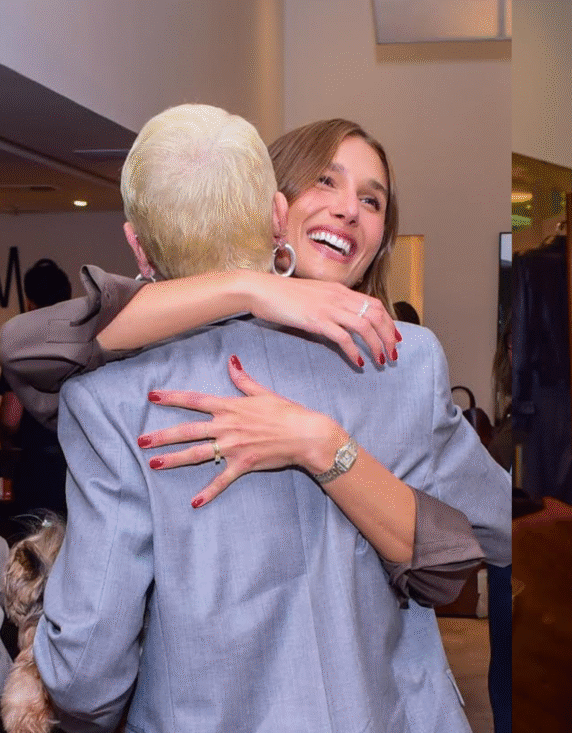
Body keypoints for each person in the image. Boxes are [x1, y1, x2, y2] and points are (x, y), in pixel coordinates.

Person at [24, 104, 507, 733]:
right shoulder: (405, 361)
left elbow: (87, 676)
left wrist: (327, 449)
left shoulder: (113, 394)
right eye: (326, 181)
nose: (348, 209)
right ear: (273, 210)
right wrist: (252, 287)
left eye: (372, 200)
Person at [0, 258, 72, 541]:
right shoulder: (84, 344)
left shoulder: (20, 347)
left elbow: (11, 419)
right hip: (77, 466)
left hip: (36, 466)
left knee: (33, 549)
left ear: (30, 302)